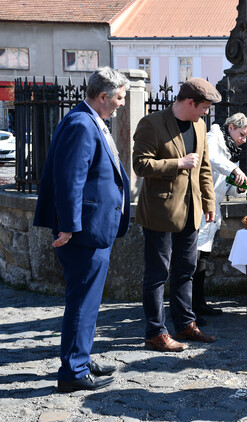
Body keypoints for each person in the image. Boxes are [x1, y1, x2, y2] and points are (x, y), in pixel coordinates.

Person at [33, 67, 131, 392]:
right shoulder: (81, 124)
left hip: (92, 229)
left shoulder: (88, 119)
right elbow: (70, 179)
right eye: (119, 97)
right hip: (83, 232)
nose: (122, 102)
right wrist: (68, 227)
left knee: (87, 300)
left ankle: (80, 356)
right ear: (103, 96)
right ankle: (73, 372)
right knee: (82, 301)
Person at [133, 78, 219, 352]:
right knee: (158, 273)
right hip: (160, 212)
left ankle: (185, 324)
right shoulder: (152, 123)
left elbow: (203, 166)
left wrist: (209, 201)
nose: (206, 112)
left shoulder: (200, 126)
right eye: (204, 107)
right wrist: (177, 164)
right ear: (189, 102)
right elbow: (140, 164)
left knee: (186, 271)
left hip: (192, 210)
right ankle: (155, 332)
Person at [193, 113, 247, 322]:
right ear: (230, 127)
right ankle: (190, 307)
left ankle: (199, 304)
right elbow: (210, 157)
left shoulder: (231, 151)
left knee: (202, 259)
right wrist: (235, 168)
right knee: (193, 261)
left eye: (246, 137)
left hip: (211, 209)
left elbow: (227, 186)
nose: (243, 140)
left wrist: (239, 187)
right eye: (242, 134)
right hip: (199, 205)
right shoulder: (214, 137)